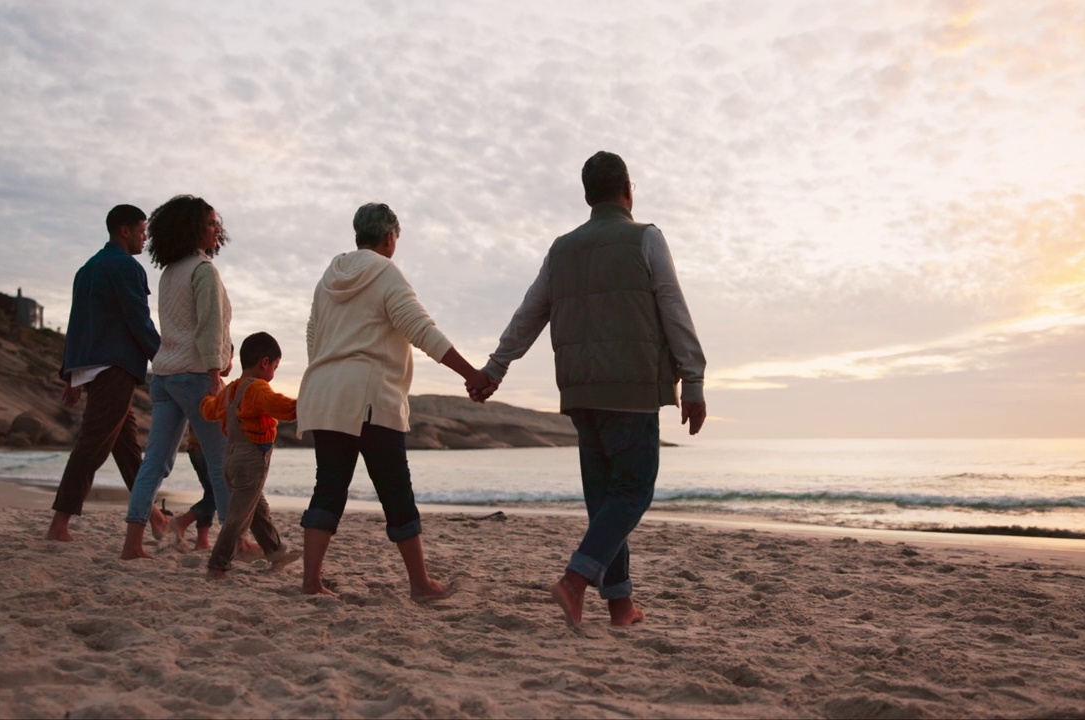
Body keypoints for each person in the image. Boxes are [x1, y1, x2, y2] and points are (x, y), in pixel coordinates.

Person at [471, 151, 707, 627]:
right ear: (628, 191)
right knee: (633, 492)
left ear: (586, 196)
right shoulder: (646, 238)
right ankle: (575, 582)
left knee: (605, 502)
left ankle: (620, 606)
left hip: (580, 391)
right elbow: (673, 308)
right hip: (632, 386)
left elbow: (530, 313)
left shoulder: (561, 250)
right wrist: (694, 380)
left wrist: (496, 367)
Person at [296, 202, 493, 598]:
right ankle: (420, 584)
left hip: (324, 394)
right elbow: (421, 329)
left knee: (328, 488)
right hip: (370, 397)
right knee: (396, 492)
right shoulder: (386, 272)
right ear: (389, 238)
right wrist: (472, 374)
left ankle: (311, 582)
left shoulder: (328, 278)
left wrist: (327, 376)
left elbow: (313, 336)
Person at [120, 195, 235, 560]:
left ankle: (133, 543)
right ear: (195, 229)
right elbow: (209, 327)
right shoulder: (203, 271)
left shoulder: (170, 273)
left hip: (164, 375)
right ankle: (235, 543)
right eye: (212, 223)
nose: (217, 229)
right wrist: (217, 372)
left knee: (154, 462)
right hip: (195, 375)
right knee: (221, 464)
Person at [46, 204, 165, 542]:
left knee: (126, 446)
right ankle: (59, 524)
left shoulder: (87, 269)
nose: (145, 238)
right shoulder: (126, 267)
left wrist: (71, 376)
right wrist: (164, 358)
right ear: (124, 231)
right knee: (93, 445)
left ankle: (154, 516)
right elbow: (138, 319)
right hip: (115, 367)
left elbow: (77, 324)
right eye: (142, 231)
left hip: (92, 366)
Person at [202, 332, 300, 577]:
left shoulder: (230, 390)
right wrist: (310, 401)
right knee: (238, 518)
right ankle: (218, 564)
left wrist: (206, 399)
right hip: (251, 460)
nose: (274, 373)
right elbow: (285, 409)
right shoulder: (258, 389)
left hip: (231, 457)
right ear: (264, 363)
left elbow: (209, 411)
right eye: (275, 367)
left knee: (257, 508)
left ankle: (275, 551)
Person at [165, 426, 216, 550]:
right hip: (210, 449)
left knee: (211, 493)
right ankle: (182, 521)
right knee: (221, 494)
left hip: (196, 447)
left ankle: (202, 541)